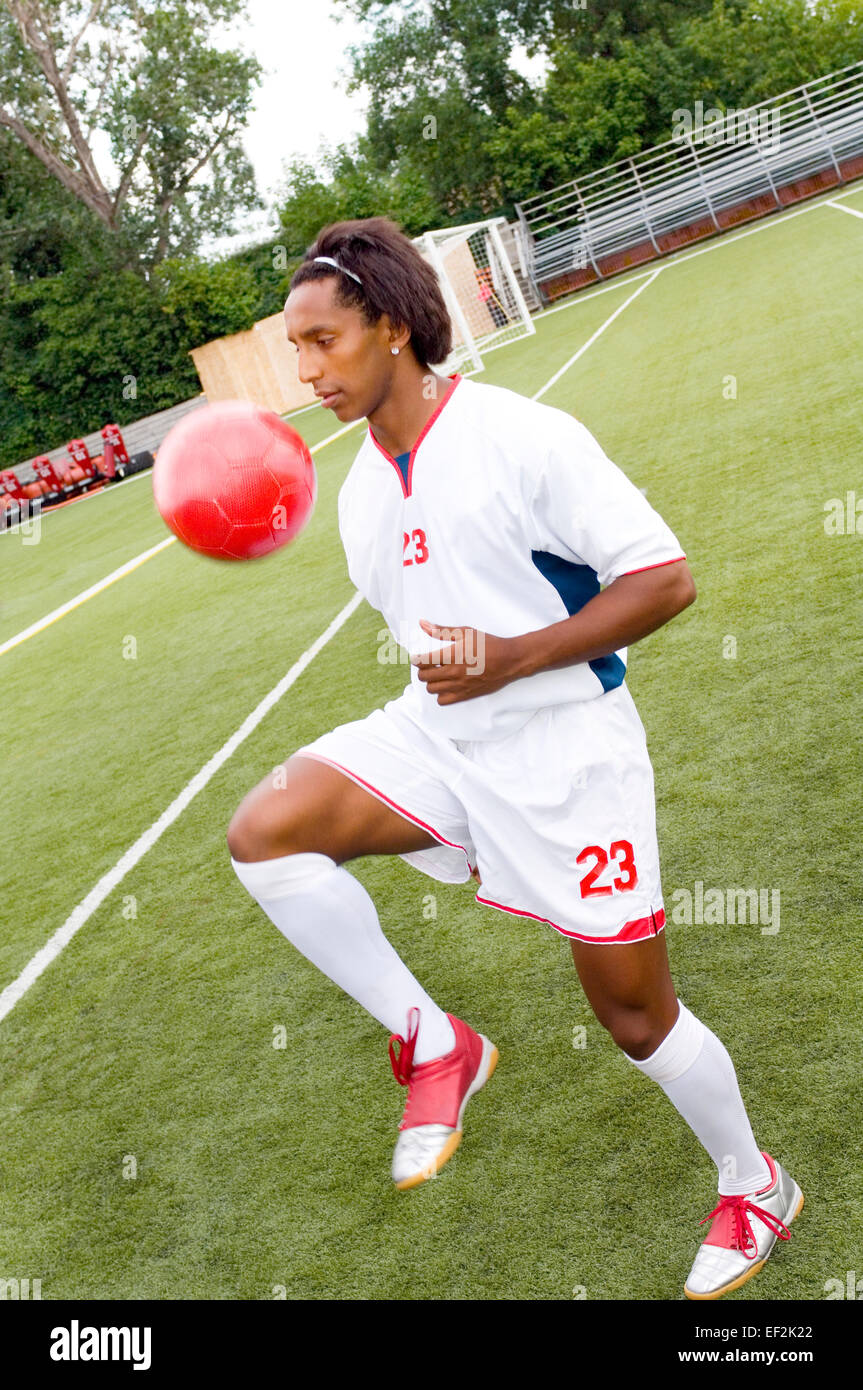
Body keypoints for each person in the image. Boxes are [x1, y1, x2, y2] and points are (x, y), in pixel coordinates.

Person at [227, 218, 803, 1300]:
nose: (306, 374)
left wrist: (514, 657)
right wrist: (467, 681)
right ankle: (435, 1041)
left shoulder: (519, 437)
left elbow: (663, 580)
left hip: (564, 757)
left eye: (323, 341)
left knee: (633, 1016)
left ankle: (753, 1181)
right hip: (438, 737)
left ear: (391, 326)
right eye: (293, 349)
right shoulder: (359, 494)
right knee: (266, 830)